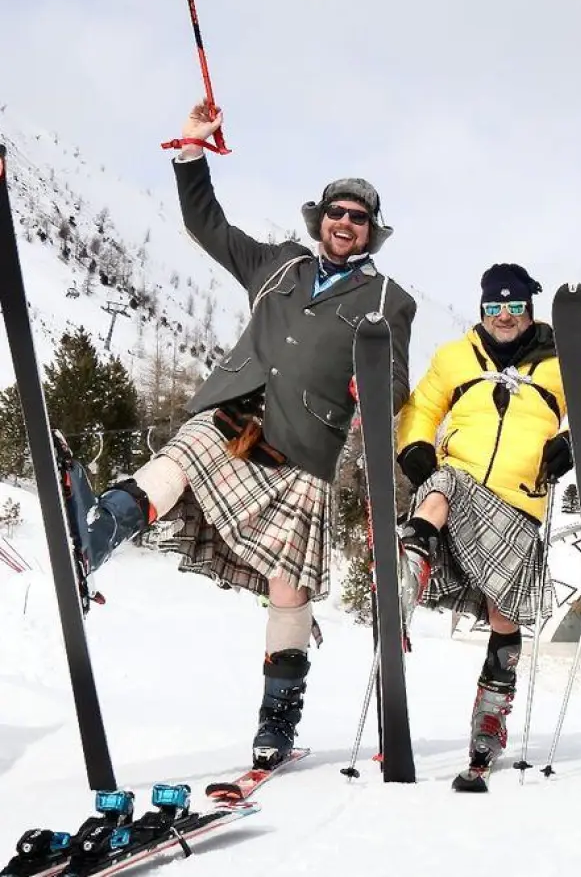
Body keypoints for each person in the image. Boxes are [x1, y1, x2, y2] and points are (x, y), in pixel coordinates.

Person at [70, 100, 417, 770]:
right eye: (337, 213)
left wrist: (368, 390)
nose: (347, 224)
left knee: (289, 590)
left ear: (372, 233)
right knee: (182, 456)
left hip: (304, 446)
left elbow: (394, 380)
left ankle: (277, 721)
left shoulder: (387, 300)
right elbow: (208, 225)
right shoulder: (280, 265)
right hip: (236, 411)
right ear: (320, 219)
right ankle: (94, 539)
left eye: (360, 218)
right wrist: (193, 152)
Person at [390, 263, 581, 788]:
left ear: (528, 311)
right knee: (441, 488)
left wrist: (573, 440)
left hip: (518, 504)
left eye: (514, 308)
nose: (504, 317)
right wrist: (415, 445)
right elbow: (422, 406)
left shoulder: (560, 363)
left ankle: (489, 721)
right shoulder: (455, 357)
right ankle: (407, 574)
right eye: (494, 308)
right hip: (460, 484)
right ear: (482, 310)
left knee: (503, 614)